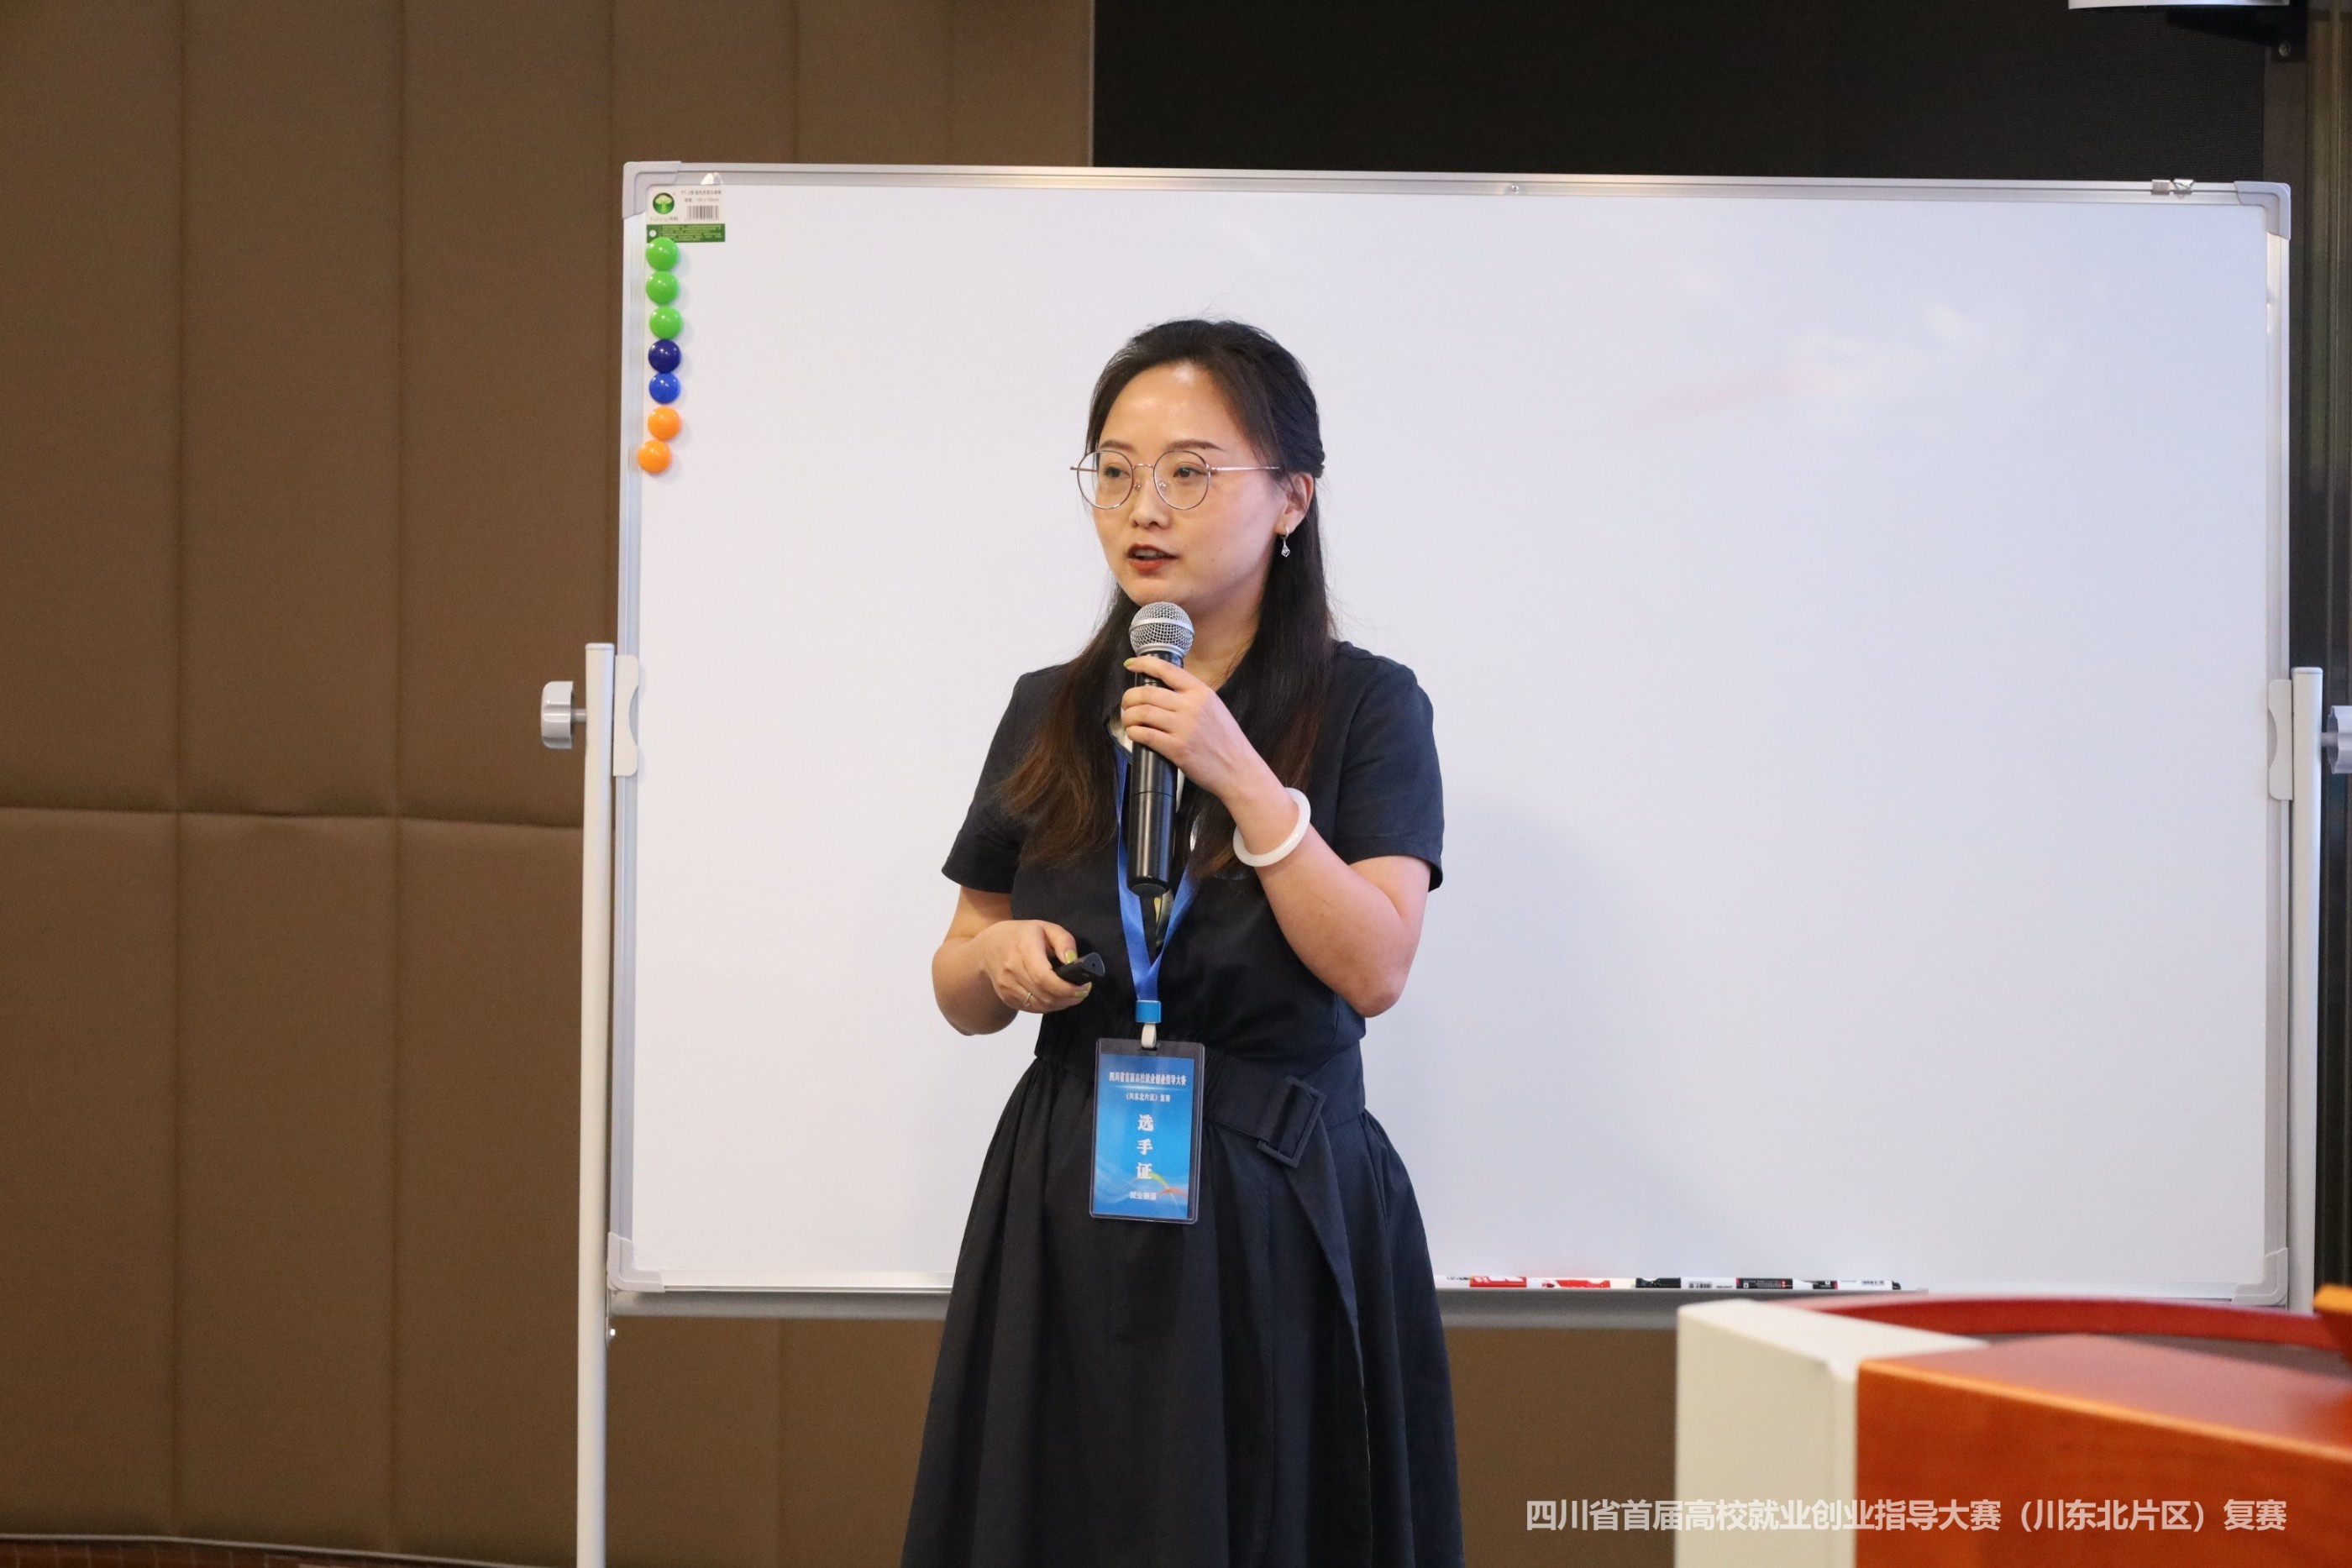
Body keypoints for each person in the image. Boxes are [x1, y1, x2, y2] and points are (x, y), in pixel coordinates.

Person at [902, 318, 1463, 1568]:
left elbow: (1376, 966)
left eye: (1190, 472)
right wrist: (996, 964)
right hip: (1071, 1186)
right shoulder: (1050, 707)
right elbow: (958, 970)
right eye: (1114, 472)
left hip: (1278, 1186)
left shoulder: (1369, 704)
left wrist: (1245, 779)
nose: (1143, 507)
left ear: (1292, 499)